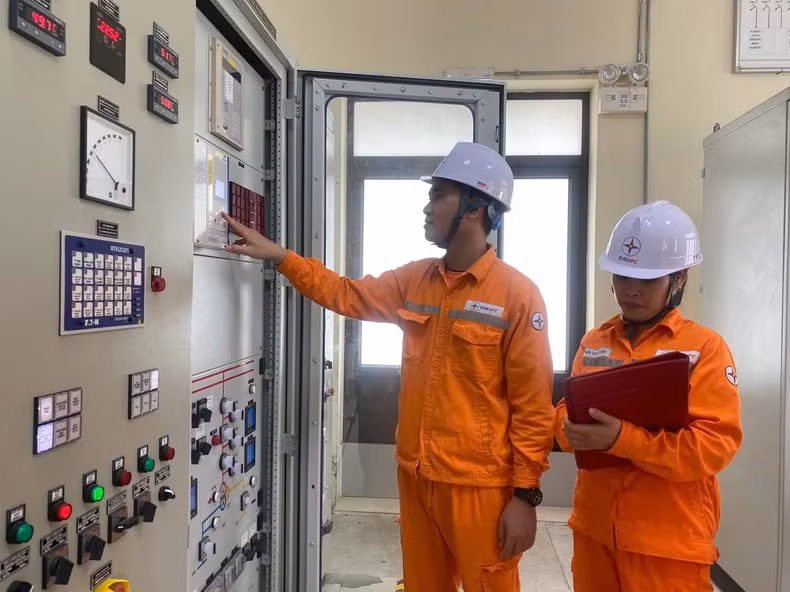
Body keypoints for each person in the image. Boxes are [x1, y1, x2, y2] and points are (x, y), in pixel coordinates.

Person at [222, 142, 556, 592]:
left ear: (475, 208)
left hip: (479, 489)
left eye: (438, 195)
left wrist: (525, 496)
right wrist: (283, 258)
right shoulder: (415, 279)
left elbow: (533, 408)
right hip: (417, 477)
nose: (427, 207)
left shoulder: (518, 296)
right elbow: (346, 293)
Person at [555, 200, 743, 592]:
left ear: (678, 279)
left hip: (667, 547)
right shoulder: (594, 342)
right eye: (622, 276)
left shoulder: (704, 349)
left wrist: (622, 440)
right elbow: (563, 410)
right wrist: (566, 429)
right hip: (594, 536)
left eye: (647, 280)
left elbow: (713, 447)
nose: (630, 290)